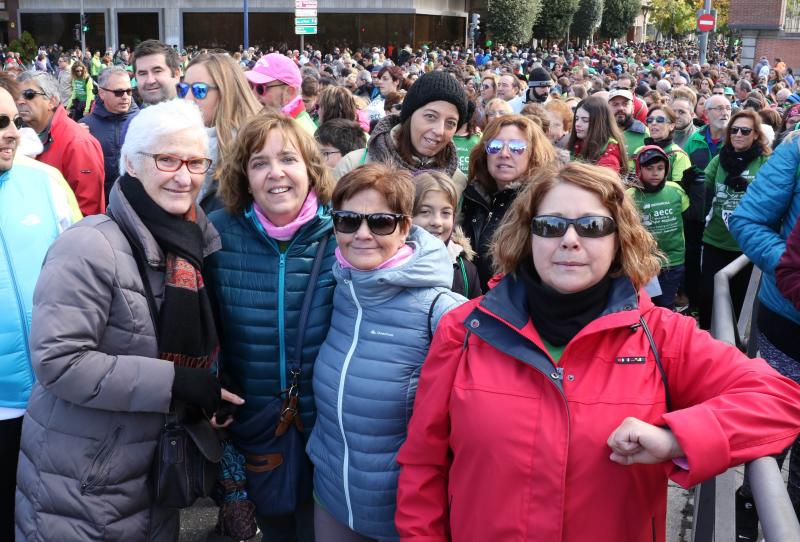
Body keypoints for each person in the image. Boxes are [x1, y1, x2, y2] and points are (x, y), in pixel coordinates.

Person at [396, 161, 800, 542]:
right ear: (527, 234)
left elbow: (780, 400)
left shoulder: (661, 335)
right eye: (551, 225)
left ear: (619, 238)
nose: (570, 240)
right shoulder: (465, 329)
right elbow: (423, 466)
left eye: (591, 226)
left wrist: (676, 439)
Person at [15, 98, 242, 541]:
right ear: (133, 165)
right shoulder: (89, 245)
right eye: (167, 159)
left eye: (196, 162)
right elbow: (59, 362)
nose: (185, 176)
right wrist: (176, 381)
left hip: (155, 472)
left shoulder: (194, 240)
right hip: (86, 481)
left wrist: (206, 385)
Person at [306, 162, 465, 542]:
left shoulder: (440, 310)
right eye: (347, 220)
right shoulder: (337, 289)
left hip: (403, 515)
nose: (362, 234)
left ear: (405, 228)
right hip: (331, 500)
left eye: (379, 222)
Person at [205, 112, 337, 542]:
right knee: (277, 527)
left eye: (288, 159)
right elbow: (204, 326)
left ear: (311, 169)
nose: (275, 173)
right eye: (259, 162)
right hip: (258, 425)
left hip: (331, 427)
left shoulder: (346, 232)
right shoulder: (218, 233)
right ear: (244, 176)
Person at [0, 75, 78, 541]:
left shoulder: (46, 180)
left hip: (57, 398)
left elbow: (89, 272)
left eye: (11, 119)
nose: (13, 131)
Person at [334, 71, 469, 195]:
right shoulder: (355, 165)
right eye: (430, 116)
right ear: (409, 116)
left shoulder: (457, 182)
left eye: (450, 123)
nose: (439, 131)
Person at [462, 115, 557, 289]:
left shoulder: (543, 204)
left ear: (534, 154)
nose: (504, 154)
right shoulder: (472, 197)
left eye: (517, 147)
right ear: (485, 153)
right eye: (495, 146)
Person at [699, 110, 771, 330]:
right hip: (715, 240)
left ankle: (734, 352)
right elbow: (705, 183)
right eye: (734, 130)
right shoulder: (720, 159)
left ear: (756, 135)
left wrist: (750, 190)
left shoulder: (765, 161)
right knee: (709, 299)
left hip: (747, 246)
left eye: (745, 130)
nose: (738, 134)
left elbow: (773, 198)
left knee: (739, 303)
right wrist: (691, 180)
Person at [179, 53, 261, 214]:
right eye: (183, 89)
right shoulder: (180, 143)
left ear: (226, 92)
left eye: (199, 90)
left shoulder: (255, 146)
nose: (188, 98)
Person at [17, 70, 105, 216]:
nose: (20, 101)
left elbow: (88, 211)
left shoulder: (78, 143)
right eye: (17, 96)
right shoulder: (23, 135)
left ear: (51, 101)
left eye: (29, 95)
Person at [682, 94, 731, 313]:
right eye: (719, 108)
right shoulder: (695, 140)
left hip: (722, 215)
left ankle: (715, 308)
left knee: (715, 263)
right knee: (693, 259)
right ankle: (694, 303)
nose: (725, 112)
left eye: (728, 107)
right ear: (706, 114)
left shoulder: (736, 138)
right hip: (697, 211)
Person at [628, 146, 689, 310]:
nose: (655, 173)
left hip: (673, 261)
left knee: (666, 304)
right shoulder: (631, 196)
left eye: (660, 168)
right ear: (640, 169)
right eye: (649, 168)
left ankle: (668, 334)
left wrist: (697, 189)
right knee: (646, 305)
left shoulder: (675, 190)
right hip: (645, 263)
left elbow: (692, 217)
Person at [413, 170, 482, 299]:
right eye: (425, 211)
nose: (437, 222)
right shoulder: (389, 263)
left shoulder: (466, 271)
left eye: (446, 213)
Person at [80, 66, 139, 200]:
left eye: (129, 91)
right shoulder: (84, 126)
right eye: (118, 92)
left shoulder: (144, 122)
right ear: (102, 93)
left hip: (137, 206)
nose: (125, 97)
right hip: (101, 206)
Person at [246, 53, 317, 135]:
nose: (253, 95)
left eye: (260, 88)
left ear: (289, 92)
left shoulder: (301, 134)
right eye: (250, 85)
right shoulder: (269, 123)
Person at [568, 95, 628, 175]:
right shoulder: (578, 145)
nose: (577, 124)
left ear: (600, 123)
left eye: (585, 120)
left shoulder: (610, 160)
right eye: (576, 119)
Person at [637, 105, 691, 183]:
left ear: (671, 126)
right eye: (650, 120)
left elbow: (680, 190)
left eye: (660, 120)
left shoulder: (679, 155)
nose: (653, 123)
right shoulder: (639, 151)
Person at [131, 40, 181, 106]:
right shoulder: (139, 115)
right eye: (142, 74)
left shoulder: (194, 114)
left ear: (176, 74)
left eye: (157, 71)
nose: (150, 81)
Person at [608, 89, 648, 163]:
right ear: (607, 108)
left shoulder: (646, 134)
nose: (620, 108)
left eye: (625, 104)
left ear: (633, 108)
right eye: (615, 104)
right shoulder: (600, 133)